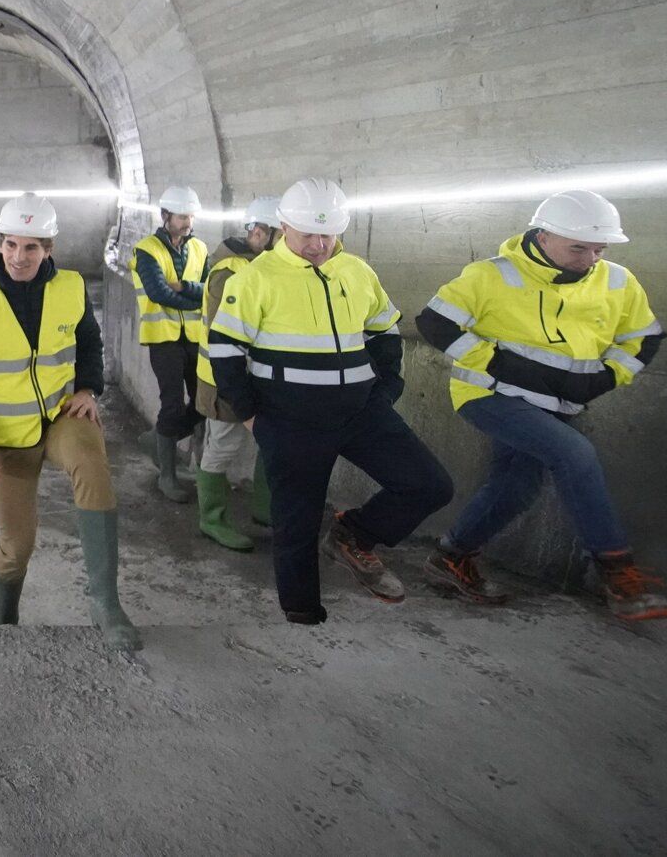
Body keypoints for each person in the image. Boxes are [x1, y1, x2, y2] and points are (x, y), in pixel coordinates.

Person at [415, 190, 667, 621]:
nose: (590, 258)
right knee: (574, 452)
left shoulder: (617, 281)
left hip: (559, 404)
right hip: (490, 394)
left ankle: (451, 556)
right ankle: (616, 573)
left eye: (599, 249)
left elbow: (644, 338)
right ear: (542, 235)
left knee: (516, 488)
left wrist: (607, 377)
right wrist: (494, 362)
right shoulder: (492, 275)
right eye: (579, 248)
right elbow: (435, 322)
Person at [206, 178, 454, 624]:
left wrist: (386, 390)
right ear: (284, 227)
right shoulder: (255, 277)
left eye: (328, 234)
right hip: (289, 419)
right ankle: (301, 611)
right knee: (297, 521)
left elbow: (384, 330)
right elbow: (225, 349)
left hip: (361, 412)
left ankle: (352, 536)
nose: (319, 245)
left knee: (429, 484)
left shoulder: (357, 272)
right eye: (308, 235)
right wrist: (252, 416)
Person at [0, 194, 138, 651]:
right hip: (6, 434)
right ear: (0, 244)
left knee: (92, 464)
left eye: (31, 247)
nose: (19, 257)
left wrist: (88, 388)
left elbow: (90, 342)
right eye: (11, 244)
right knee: (16, 548)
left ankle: (105, 602)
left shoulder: (70, 287)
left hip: (59, 415)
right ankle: (5, 614)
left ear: (48, 249)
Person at [189, 197, 280, 551]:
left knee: (269, 440)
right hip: (224, 379)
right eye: (280, 235)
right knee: (223, 445)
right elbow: (223, 335)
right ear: (258, 232)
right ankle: (211, 519)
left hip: (260, 377)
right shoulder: (229, 273)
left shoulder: (264, 265)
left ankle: (266, 510)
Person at [130, 184, 208, 504]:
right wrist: (195, 299)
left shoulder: (199, 248)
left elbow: (209, 290)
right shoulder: (146, 250)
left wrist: (186, 287)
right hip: (163, 338)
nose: (188, 222)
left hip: (194, 337)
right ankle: (167, 475)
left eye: (190, 216)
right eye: (181, 217)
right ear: (165, 216)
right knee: (172, 405)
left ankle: (158, 441)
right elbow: (158, 292)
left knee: (204, 403)